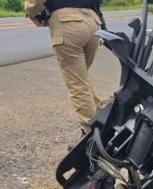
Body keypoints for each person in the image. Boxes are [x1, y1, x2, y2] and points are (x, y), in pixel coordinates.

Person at [25, 0, 105, 133]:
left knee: (77, 84)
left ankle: (92, 135)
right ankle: (103, 116)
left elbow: (35, 2)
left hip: (68, 22)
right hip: (93, 22)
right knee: (81, 79)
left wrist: (32, 13)